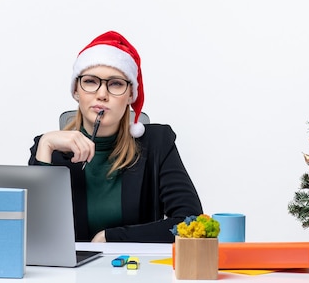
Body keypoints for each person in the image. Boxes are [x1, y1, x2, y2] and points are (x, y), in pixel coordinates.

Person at [28, 31, 203, 243]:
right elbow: (34, 234)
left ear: (131, 95)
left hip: (134, 271)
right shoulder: (48, 147)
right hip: (69, 274)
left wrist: (111, 237)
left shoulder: (158, 143)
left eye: (116, 84)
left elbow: (190, 222)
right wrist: (46, 145)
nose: (102, 94)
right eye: (91, 82)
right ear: (76, 90)